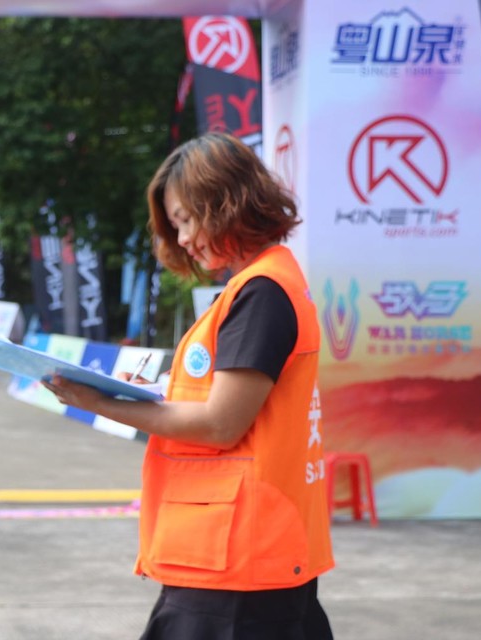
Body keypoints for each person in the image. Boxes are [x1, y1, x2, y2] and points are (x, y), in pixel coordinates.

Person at [41, 132, 335, 639]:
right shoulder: (264, 284)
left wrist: (100, 403)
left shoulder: (261, 293)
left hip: (239, 557)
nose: (180, 239)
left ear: (225, 203)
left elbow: (221, 424)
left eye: (184, 219)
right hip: (245, 549)